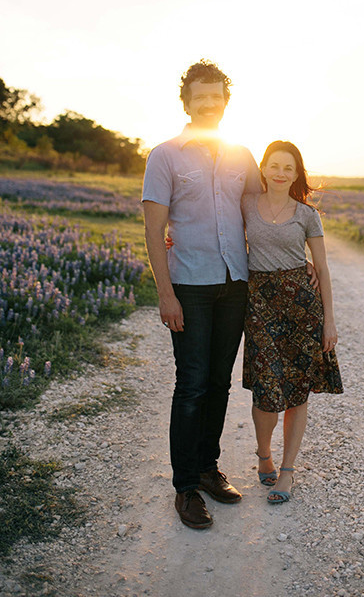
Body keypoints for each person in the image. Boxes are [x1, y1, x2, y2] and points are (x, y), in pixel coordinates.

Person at [142, 59, 262, 530]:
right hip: (189, 286)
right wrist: (165, 294)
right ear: (187, 102)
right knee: (191, 385)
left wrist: (304, 251)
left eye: (217, 96)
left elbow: (261, 211)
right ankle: (185, 486)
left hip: (235, 284)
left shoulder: (241, 154)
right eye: (201, 96)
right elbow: (154, 231)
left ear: (225, 102)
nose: (209, 103)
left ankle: (209, 468)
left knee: (218, 382)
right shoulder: (165, 156)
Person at [241, 140, 343, 504]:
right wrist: (178, 239)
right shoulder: (246, 204)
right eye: (275, 166)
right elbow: (218, 233)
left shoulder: (306, 214)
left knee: (297, 392)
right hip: (260, 305)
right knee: (266, 392)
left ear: (297, 174)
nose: (281, 173)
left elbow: (323, 268)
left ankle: (286, 472)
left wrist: (328, 322)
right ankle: (263, 453)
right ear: (264, 169)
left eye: (289, 168)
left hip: (302, 306)